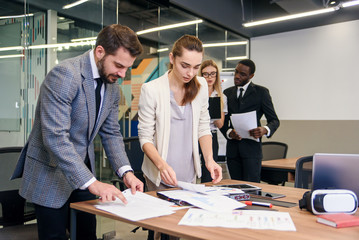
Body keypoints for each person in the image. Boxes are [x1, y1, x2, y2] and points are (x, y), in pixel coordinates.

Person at [11, 24, 144, 240]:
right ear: (100, 52)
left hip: (81, 171)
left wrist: (126, 172)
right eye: (119, 65)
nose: (122, 74)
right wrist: (94, 183)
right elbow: (55, 138)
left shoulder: (112, 88)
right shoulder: (65, 75)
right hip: (50, 172)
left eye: (127, 68)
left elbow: (111, 133)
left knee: (87, 234)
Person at [138, 35, 222, 190]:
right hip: (159, 175)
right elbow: (145, 138)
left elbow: (203, 128)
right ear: (172, 58)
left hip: (189, 176)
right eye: (185, 65)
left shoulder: (201, 85)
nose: (190, 73)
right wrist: (162, 166)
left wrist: (209, 160)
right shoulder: (151, 90)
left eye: (196, 67)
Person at [220, 59, 280, 182]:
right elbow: (223, 123)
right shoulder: (227, 93)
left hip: (252, 151)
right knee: (236, 188)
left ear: (251, 76)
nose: (237, 76)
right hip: (233, 151)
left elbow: (274, 120)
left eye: (242, 74)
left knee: (252, 189)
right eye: (236, 72)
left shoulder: (261, 93)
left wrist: (265, 129)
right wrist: (229, 132)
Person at [198, 60, 227, 183]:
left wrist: (212, 112)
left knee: (208, 171)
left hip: (211, 134)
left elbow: (220, 124)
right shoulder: (196, 93)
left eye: (212, 74)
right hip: (194, 134)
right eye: (206, 74)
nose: (209, 77)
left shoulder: (221, 96)